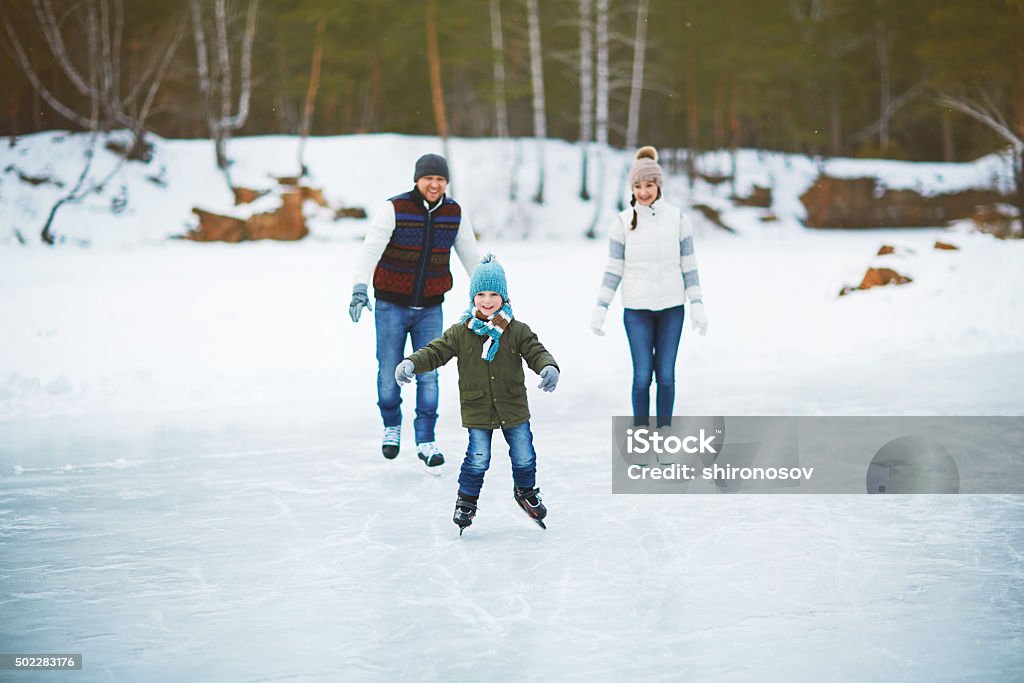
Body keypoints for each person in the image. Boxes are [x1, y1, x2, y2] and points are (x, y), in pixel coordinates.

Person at [394, 254, 559, 534]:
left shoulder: (517, 330)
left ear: (504, 298)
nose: (487, 300)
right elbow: (435, 352)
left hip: (512, 405)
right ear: (472, 298)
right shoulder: (461, 332)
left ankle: (526, 491)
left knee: (524, 455)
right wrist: (411, 362)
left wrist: (548, 366)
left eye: (494, 294)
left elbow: (536, 351)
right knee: (478, 457)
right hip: (477, 408)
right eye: (480, 294)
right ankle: (466, 500)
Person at [349, 153, 480, 468]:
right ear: (417, 180)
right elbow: (371, 249)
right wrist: (359, 287)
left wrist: (490, 295)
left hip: (430, 308)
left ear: (446, 182)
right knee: (388, 373)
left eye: (440, 179)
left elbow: (471, 257)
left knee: (429, 375)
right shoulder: (394, 208)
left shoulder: (454, 214)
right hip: (391, 306)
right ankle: (392, 424)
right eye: (428, 178)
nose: (434, 184)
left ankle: (426, 439)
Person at [590, 146, 708, 427]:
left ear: (659, 186)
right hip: (637, 311)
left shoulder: (679, 220)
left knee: (666, 375)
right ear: (632, 188)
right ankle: (641, 437)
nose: (644, 192)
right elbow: (613, 269)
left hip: (671, 310)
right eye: (638, 186)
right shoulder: (621, 223)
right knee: (642, 375)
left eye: (649, 185)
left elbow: (689, 266)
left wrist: (697, 304)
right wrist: (601, 306)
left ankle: (664, 434)